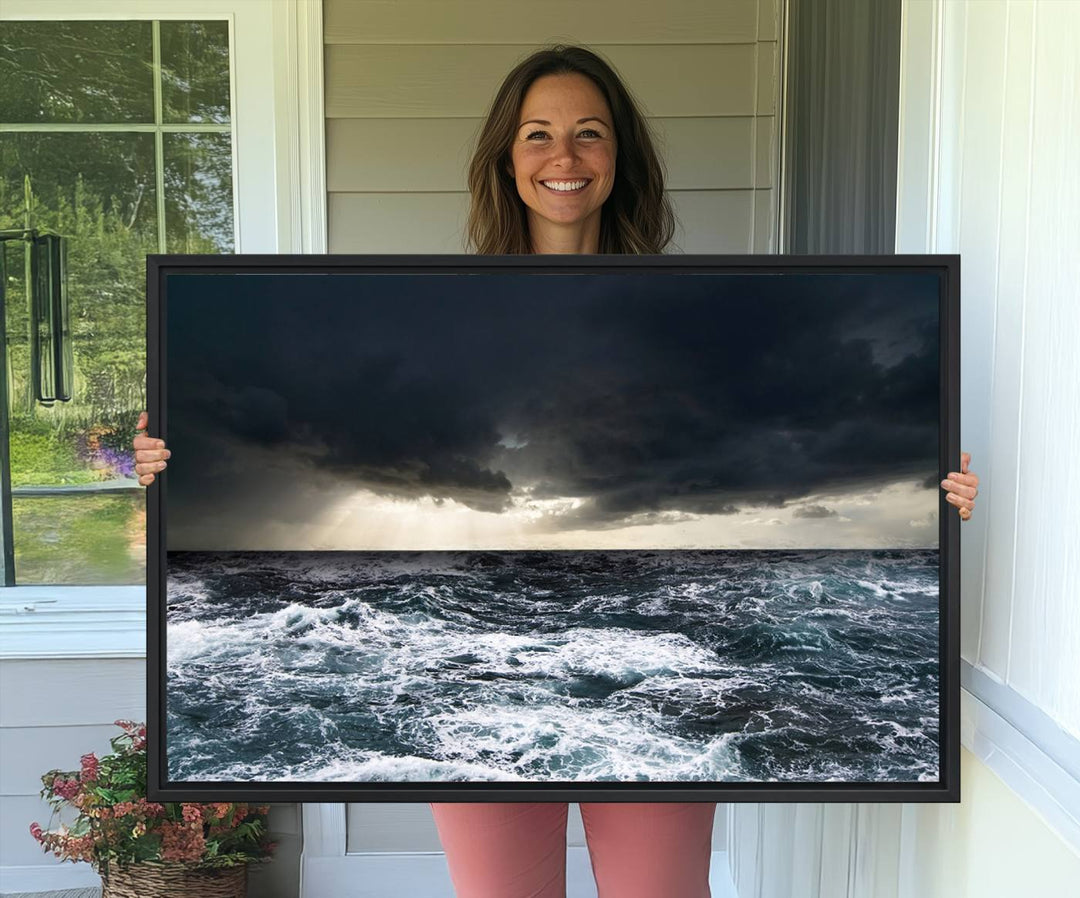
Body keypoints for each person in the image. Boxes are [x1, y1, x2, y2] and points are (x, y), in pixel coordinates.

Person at [133, 45, 980, 898]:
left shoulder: (689, 312)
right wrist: (170, 465)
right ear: (507, 158)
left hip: (664, 668)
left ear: (620, 158)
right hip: (466, 668)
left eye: (589, 134)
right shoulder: (440, 313)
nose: (564, 157)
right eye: (538, 134)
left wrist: (932, 492)